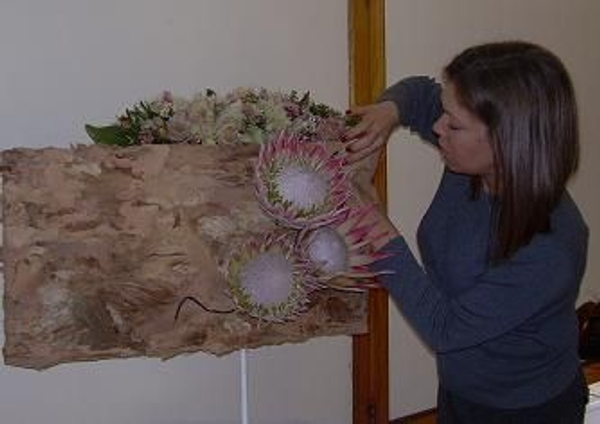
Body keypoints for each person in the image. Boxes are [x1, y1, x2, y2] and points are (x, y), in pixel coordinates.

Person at [344, 41, 590, 423]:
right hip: (463, 387)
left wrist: (377, 232)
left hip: (525, 409)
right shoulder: (472, 161)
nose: (439, 127)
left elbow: (445, 327)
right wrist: (388, 111)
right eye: (444, 113)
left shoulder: (550, 248)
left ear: (508, 141)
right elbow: (420, 94)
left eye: (454, 124)